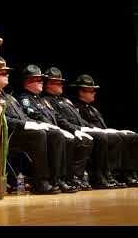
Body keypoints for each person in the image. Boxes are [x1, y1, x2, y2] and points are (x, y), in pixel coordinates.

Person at [42, 67, 126, 189]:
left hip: (78, 129)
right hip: (66, 131)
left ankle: (107, 174)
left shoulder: (65, 100)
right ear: (48, 85)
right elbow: (60, 121)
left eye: (61, 82)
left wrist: (92, 128)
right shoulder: (47, 101)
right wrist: (77, 129)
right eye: (57, 83)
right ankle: (93, 176)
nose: (61, 85)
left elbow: (80, 120)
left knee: (112, 137)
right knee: (100, 138)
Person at [17, 64, 88, 193]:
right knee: (58, 136)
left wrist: (73, 130)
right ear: (28, 82)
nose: (41, 83)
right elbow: (36, 116)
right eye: (38, 80)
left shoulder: (43, 101)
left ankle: (63, 178)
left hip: (51, 132)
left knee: (70, 139)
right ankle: (54, 179)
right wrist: (57, 129)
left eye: (41, 80)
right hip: (40, 133)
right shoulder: (24, 99)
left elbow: (58, 118)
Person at [71, 74, 138, 186]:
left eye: (94, 90)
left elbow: (103, 126)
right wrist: (105, 131)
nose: (94, 93)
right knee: (115, 138)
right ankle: (108, 174)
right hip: (93, 134)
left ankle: (131, 173)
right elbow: (83, 125)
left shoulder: (93, 109)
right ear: (81, 92)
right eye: (91, 91)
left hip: (103, 132)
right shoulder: (76, 108)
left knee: (132, 137)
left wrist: (113, 130)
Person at [0, 57, 61, 194]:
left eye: (7, 72)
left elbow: (24, 117)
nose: (7, 75)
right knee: (38, 134)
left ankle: (56, 179)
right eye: (3, 73)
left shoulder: (9, 97)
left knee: (53, 133)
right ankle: (40, 182)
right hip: (7, 136)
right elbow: (4, 121)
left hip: (18, 132)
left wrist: (39, 124)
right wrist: (26, 125)